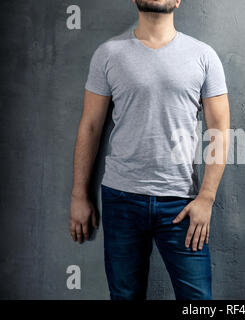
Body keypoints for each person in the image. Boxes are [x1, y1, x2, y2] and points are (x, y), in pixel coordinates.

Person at [69, 0, 230, 300]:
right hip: (121, 199)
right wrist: (80, 194)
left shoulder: (203, 56)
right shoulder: (108, 54)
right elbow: (90, 126)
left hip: (182, 204)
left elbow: (219, 130)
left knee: (198, 301)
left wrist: (206, 198)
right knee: (125, 296)